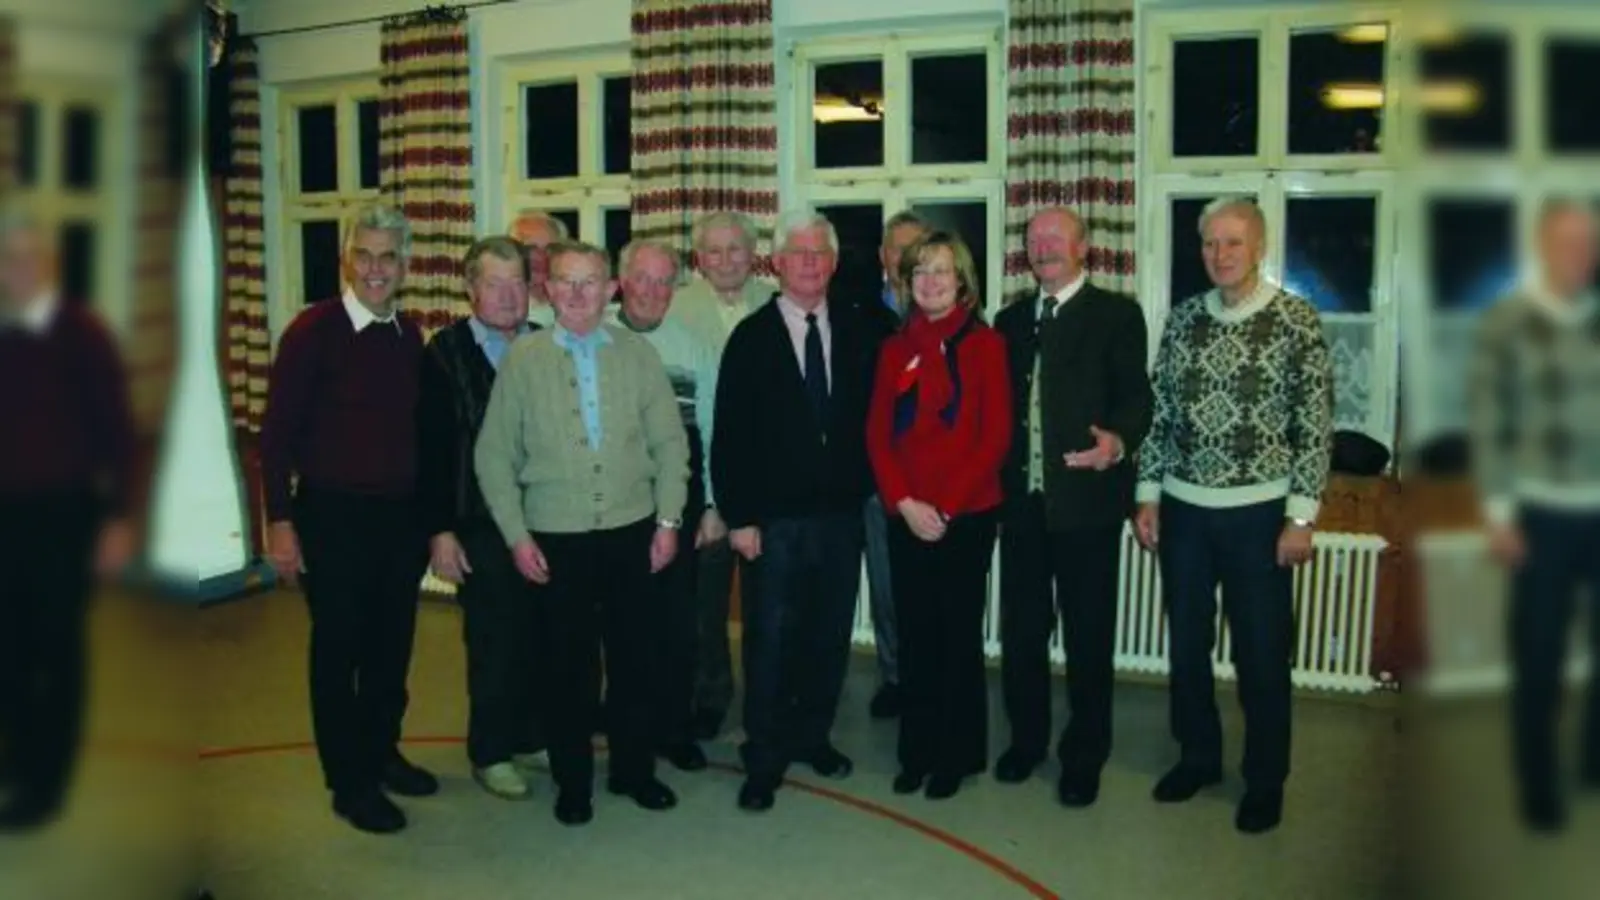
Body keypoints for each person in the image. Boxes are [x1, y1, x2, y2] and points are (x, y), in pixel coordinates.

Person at [1134, 196, 1333, 835]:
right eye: (1209, 243)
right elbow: (1160, 414)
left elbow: (1316, 425)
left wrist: (1301, 517)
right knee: (1187, 647)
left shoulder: (1296, 320)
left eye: (1233, 243)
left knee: (1262, 654)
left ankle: (1265, 780)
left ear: (1259, 247)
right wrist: (1148, 494)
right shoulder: (1184, 319)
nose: (1219, 255)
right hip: (1186, 512)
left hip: (1260, 516)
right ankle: (1198, 757)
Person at [475, 240, 690, 826]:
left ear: (610, 289)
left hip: (632, 532)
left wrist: (669, 519)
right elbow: (493, 455)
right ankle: (573, 783)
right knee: (566, 670)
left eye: (589, 281)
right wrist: (517, 536)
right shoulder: (523, 360)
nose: (576, 293)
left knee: (635, 662)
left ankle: (633, 771)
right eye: (565, 282)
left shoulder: (637, 354)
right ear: (547, 289)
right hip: (555, 539)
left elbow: (670, 444)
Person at [260, 203, 438, 834]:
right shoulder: (312, 332)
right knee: (340, 653)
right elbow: (275, 436)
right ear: (346, 260)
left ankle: (382, 752)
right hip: (332, 518)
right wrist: (280, 521)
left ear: (406, 265)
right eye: (364, 255)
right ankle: (349, 782)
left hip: (399, 521)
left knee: (391, 650)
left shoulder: (410, 337)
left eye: (388, 256)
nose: (375, 268)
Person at [712, 210, 885, 812]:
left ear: (833, 264)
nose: (809, 263)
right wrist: (739, 517)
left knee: (827, 636)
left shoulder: (860, 330)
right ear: (778, 262)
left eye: (820, 254)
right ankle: (764, 755)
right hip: (773, 524)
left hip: (840, 519)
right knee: (770, 642)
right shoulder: (751, 338)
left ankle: (813, 736)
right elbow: (729, 435)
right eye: (799, 253)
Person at [992, 207, 1152, 807]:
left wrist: (1119, 442)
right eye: (1034, 239)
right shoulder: (1009, 321)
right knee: (1022, 634)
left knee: (1088, 639)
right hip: (1022, 510)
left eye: (1056, 238)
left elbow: (1136, 398)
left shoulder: (1117, 315)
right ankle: (1026, 742)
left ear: (1084, 247)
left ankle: (1085, 757)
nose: (1044, 248)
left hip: (1088, 508)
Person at [0, 207, 137, 830]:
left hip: (62, 517)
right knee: (9, 649)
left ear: (49, 264)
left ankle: (45, 785)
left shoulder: (83, 334)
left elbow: (118, 433)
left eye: (29, 257)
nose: (19, 269)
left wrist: (118, 519)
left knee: (55, 651)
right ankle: (19, 758)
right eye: (8, 259)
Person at [1469, 197, 1600, 833]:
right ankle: (1539, 786)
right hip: (1539, 516)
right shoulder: (1507, 322)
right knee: (1540, 658)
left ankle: (1593, 762)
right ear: (1543, 246)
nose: (1579, 254)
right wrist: (1499, 515)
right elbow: (1488, 421)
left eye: (1588, 243)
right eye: (1567, 241)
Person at [865, 229, 1010, 800]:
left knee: (956, 638)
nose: (929, 281)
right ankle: (916, 752)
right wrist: (905, 503)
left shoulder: (985, 345)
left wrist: (944, 508)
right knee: (915, 636)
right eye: (919, 271)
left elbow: (994, 438)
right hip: (906, 515)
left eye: (941, 270)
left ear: (962, 280)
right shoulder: (894, 349)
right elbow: (877, 436)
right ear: (906, 283)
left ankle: (956, 755)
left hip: (966, 515)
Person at [417, 236, 545, 801]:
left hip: (545, 517)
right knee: (495, 638)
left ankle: (527, 735)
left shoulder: (547, 344)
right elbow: (430, 450)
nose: (508, 295)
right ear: (471, 289)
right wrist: (440, 531)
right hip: (479, 521)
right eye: (494, 283)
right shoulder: (444, 353)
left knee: (538, 633)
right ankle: (491, 752)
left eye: (517, 282)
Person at [608, 238, 721, 771]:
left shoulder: (694, 347)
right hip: (611, 503)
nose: (653, 291)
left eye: (664, 281)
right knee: (621, 624)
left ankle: (673, 728)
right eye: (643, 279)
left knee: (677, 623)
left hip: (679, 500)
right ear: (621, 282)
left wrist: (714, 505)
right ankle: (626, 728)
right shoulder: (593, 335)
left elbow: (714, 431)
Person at [668, 210, 774, 739]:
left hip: (766, 486)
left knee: (768, 606)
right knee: (703, 606)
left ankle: (767, 699)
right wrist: (707, 501)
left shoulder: (777, 304)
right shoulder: (675, 308)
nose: (726, 260)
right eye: (714, 250)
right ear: (699, 258)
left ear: (754, 254)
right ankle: (709, 695)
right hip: (701, 484)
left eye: (736, 249)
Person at [861, 210, 929, 720]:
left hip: (933, 479)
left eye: (915, 250)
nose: (904, 259)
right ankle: (895, 677)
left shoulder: (948, 311)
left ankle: (931, 676)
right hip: (877, 477)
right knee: (886, 587)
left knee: (928, 587)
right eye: (896, 249)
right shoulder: (858, 313)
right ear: (883, 257)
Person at [508, 209, 569, 328]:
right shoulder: (504, 306)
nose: (541, 256)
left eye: (550, 248)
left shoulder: (576, 303)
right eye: (531, 248)